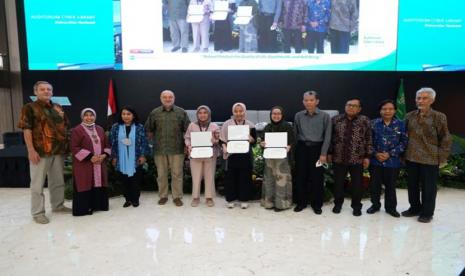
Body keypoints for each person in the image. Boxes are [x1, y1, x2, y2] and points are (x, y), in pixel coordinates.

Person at [18, 81, 71, 224]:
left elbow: (65, 126)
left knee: (58, 181)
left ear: (52, 92)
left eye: (49, 89)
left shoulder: (57, 107)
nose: (46, 91)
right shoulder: (29, 108)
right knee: (37, 184)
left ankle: (58, 206)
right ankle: (37, 212)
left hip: (58, 151)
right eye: (42, 89)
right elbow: (26, 129)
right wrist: (30, 150)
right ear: (36, 92)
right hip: (40, 152)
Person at [402, 88, 452, 223]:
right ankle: (414, 208)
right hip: (411, 157)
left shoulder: (439, 116)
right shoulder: (409, 116)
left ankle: (427, 213)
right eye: (418, 98)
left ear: (432, 100)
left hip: (430, 158)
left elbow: (445, 138)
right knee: (412, 185)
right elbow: (403, 136)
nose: (420, 101)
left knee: (428, 188)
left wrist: (442, 157)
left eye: (424, 98)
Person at [145, 90, 190, 206]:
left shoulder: (181, 112)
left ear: (174, 98)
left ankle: (177, 197)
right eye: (165, 97)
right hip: (159, 149)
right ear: (161, 99)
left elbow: (188, 130)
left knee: (177, 174)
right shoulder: (155, 113)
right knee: (161, 174)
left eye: (170, 97)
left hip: (177, 149)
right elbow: (148, 129)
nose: (167, 99)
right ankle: (163, 196)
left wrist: (187, 145)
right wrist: (150, 144)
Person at [328, 98, 372, 216]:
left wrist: (368, 156)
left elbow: (369, 139)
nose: (351, 107)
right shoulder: (336, 120)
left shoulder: (365, 121)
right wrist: (329, 153)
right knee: (338, 183)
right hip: (339, 158)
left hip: (357, 158)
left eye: (354, 106)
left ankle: (356, 206)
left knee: (357, 184)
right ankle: (338, 204)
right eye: (349, 105)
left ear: (359, 108)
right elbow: (330, 138)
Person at [367, 100, 408, 218]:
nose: (387, 111)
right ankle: (375, 205)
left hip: (393, 161)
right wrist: (375, 154)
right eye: (384, 109)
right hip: (376, 161)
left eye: (390, 109)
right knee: (375, 185)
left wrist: (390, 154)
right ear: (380, 111)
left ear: (395, 110)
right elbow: (368, 141)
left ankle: (391, 208)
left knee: (391, 186)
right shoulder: (373, 123)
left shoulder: (401, 124)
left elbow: (404, 143)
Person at [293, 91, 332, 214]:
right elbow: (295, 134)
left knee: (317, 178)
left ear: (317, 101)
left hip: (317, 150)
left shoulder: (325, 116)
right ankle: (301, 202)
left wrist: (324, 153)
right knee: (301, 177)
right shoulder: (298, 116)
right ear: (303, 101)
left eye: (311, 100)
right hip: (302, 149)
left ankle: (317, 204)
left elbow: (327, 136)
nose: (308, 102)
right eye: (306, 100)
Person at [70, 108, 111, 216]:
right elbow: (74, 147)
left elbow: (107, 145)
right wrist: (90, 157)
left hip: (99, 163)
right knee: (85, 183)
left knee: (99, 182)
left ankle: (99, 206)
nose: (89, 118)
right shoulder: (77, 130)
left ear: (95, 116)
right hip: (85, 165)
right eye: (86, 115)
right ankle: (85, 208)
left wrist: (104, 155)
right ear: (82, 117)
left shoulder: (100, 129)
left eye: (91, 115)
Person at [110, 106, 150, 208]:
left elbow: (144, 142)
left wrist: (142, 155)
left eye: (128, 114)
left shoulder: (139, 127)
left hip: (135, 158)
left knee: (135, 180)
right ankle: (127, 199)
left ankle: (135, 199)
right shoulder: (116, 127)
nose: (126, 116)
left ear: (133, 115)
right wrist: (114, 157)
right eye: (124, 114)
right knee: (124, 180)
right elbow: (113, 143)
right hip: (120, 158)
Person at [220, 103, 257, 209]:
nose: (238, 113)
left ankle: (244, 199)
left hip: (245, 155)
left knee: (245, 178)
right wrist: (224, 147)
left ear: (244, 112)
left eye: (241, 111)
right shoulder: (227, 124)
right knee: (231, 178)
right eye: (236, 111)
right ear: (233, 112)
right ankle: (231, 199)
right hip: (231, 155)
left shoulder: (250, 124)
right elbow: (222, 139)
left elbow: (254, 142)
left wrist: (251, 139)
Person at [185, 106, 220, 207]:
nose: (202, 114)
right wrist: (189, 145)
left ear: (208, 114)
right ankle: (195, 198)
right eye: (200, 113)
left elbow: (219, 139)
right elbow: (187, 138)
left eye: (205, 112)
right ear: (197, 114)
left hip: (210, 155)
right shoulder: (192, 125)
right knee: (196, 177)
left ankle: (209, 198)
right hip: (195, 155)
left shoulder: (214, 126)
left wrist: (215, 140)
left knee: (209, 176)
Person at [260, 106, 294, 211]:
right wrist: (262, 144)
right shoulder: (267, 127)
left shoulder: (287, 126)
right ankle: (269, 203)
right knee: (269, 180)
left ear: (282, 115)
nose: (276, 116)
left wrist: (289, 146)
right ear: (271, 115)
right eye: (274, 114)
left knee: (282, 181)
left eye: (278, 113)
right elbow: (262, 141)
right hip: (270, 159)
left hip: (282, 159)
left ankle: (281, 204)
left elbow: (293, 141)